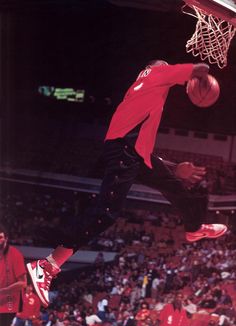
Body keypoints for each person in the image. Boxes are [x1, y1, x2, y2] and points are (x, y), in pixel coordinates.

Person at [26, 60, 227, 308]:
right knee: (106, 213)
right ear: (155, 67)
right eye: (165, 64)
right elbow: (198, 69)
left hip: (135, 153)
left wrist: (175, 168)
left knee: (178, 185)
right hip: (124, 151)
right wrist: (202, 75)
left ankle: (194, 227)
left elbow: (142, 147)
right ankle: (47, 266)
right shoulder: (157, 72)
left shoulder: (142, 88)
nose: (167, 65)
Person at [0, 223, 27, 326]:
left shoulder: (15, 254)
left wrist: (2, 291)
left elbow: (23, 283)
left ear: (6, 238)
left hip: (8, 304)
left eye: (0, 237)